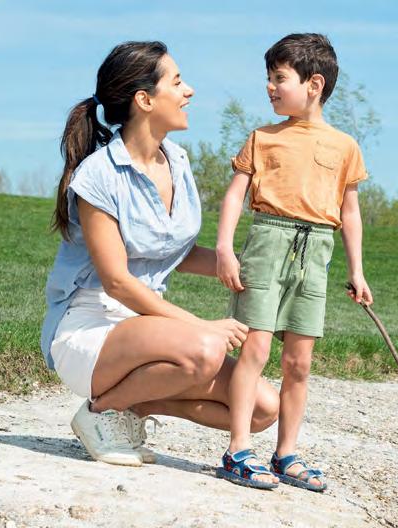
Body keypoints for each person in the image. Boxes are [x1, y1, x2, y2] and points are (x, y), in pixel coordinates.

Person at [40, 40, 279, 467]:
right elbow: (117, 281)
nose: (189, 91)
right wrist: (201, 325)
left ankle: (132, 405)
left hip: (148, 329)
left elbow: (173, 254)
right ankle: (100, 411)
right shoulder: (98, 175)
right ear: (145, 100)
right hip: (92, 327)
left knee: (262, 407)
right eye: (178, 81)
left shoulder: (178, 161)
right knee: (205, 349)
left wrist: (257, 271)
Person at [215, 33, 373, 491]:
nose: (270, 86)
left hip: (316, 251)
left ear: (314, 84)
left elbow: (350, 213)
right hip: (268, 242)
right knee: (255, 350)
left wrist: (357, 271)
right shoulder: (262, 138)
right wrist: (224, 248)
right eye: (269, 78)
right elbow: (235, 196)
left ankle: (285, 454)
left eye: (279, 78)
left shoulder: (345, 146)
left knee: (299, 362)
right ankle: (238, 450)